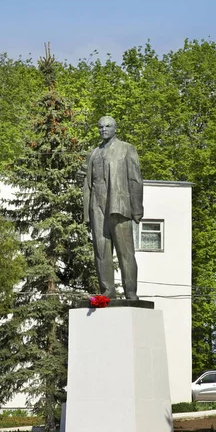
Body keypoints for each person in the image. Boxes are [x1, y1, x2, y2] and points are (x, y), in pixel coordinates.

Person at [83, 116, 143, 299]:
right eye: (100, 127)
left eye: (108, 126)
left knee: (125, 252)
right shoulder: (93, 153)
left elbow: (135, 179)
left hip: (119, 205)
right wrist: (87, 213)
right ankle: (107, 292)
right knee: (101, 252)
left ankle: (131, 293)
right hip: (97, 205)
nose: (104, 129)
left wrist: (137, 208)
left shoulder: (126, 149)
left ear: (115, 128)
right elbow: (88, 182)